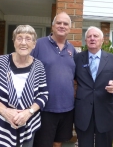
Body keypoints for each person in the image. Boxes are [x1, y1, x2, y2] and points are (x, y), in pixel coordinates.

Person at [0, 25, 49, 147]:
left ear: (34, 44)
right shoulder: (1, 62)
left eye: (28, 39)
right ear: (14, 42)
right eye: (19, 38)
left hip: (27, 125)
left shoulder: (39, 66)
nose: (23, 43)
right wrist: (5, 111)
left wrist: (28, 112)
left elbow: (43, 95)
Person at [74, 26, 113, 147]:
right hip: (83, 113)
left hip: (106, 113)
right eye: (89, 36)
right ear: (85, 40)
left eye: (95, 36)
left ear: (102, 40)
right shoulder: (76, 59)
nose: (92, 38)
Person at [31, 12, 76, 147]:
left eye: (65, 23)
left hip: (67, 108)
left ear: (70, 28)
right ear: (52, 26)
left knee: (58, 143)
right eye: (59, 23)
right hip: (44, 107)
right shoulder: (38, 44)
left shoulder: (72, 49)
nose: (62, 26)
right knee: (42, 143)